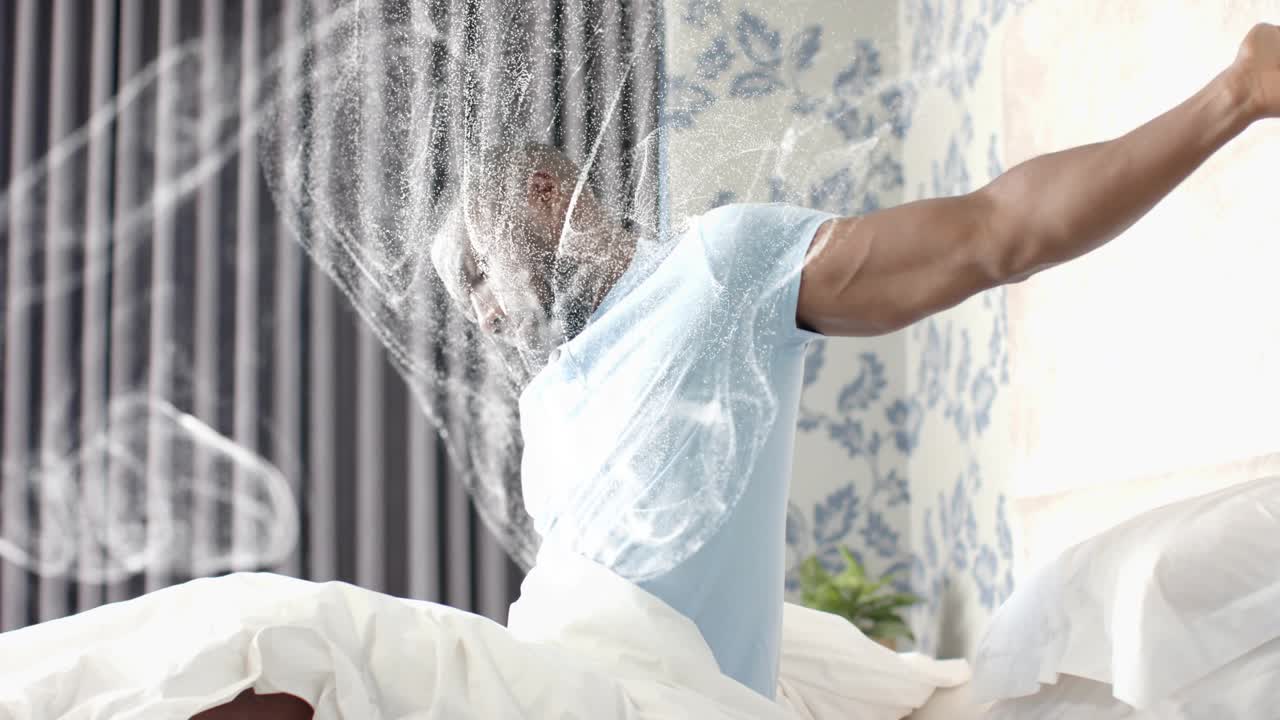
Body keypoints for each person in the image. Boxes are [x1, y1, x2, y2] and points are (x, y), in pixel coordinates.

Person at [431, 22, 1280, 701]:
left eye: (475, 270)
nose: (483, 310)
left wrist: (1232, 98)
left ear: (546, 198)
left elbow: (994, 236)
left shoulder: (715, 275)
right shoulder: (543, 417)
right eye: (463, 298)